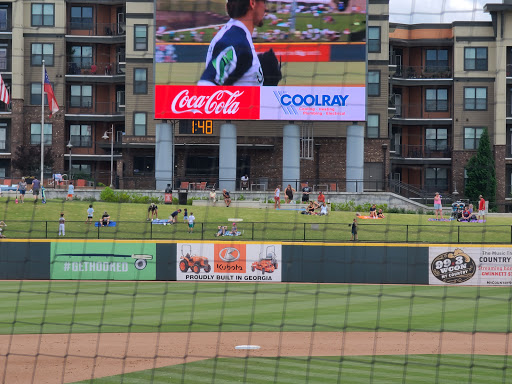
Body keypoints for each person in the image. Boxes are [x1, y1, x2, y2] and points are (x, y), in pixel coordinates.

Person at [198, 0, 269, 87]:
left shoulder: (237, 35)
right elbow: (206, 85)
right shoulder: (235, 41)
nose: (266, 8)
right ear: (252, 3)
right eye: (264, 2)